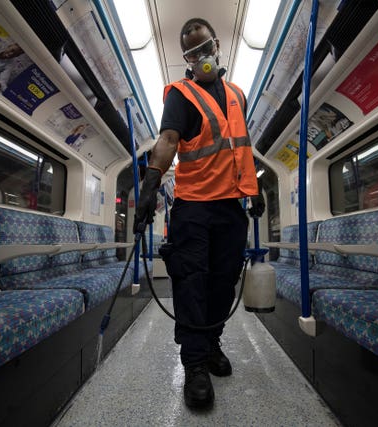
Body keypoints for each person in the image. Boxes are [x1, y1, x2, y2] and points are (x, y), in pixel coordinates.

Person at [133, 18, 265, 409]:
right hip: (192, 208)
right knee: (192, 283)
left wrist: (254, 190)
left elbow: (242, 144)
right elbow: (168, 140)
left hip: (230, 207)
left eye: (206, 47)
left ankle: (210, 344)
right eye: (193, 52)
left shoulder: (238, 93)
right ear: (185, 59)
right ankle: (193, 365)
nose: (202, 56)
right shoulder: (179, 94)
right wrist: (149, 185)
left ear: (217, 45)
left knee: (223, 283)